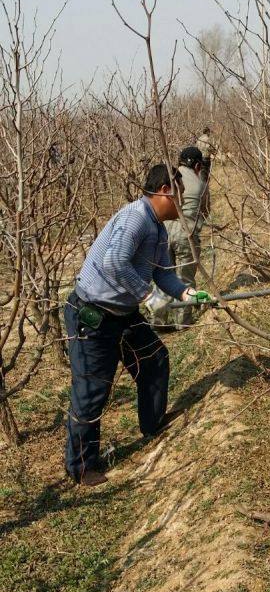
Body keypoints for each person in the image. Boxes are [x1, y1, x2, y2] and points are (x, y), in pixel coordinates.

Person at [64, 164, 203, 487]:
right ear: (166, 191)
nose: (182, 203)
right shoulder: (136, 217)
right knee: (92, 390)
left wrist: (185, 292)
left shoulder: (158, 229)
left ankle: (152, 425)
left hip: (123, 313)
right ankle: (81, 466)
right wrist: (147, 295)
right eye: (179, 195)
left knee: (154, 359)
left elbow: (162, 272)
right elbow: (114, 262)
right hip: (94, 314)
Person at [150, 146, 208, 329]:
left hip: (164, 233)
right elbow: (206, 210)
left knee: (162, 277)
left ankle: (158, 321)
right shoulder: (201, 183)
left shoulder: (170, 178)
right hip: (187, 235)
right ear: (198, 166)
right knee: (185, 280)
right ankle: (182, 322)